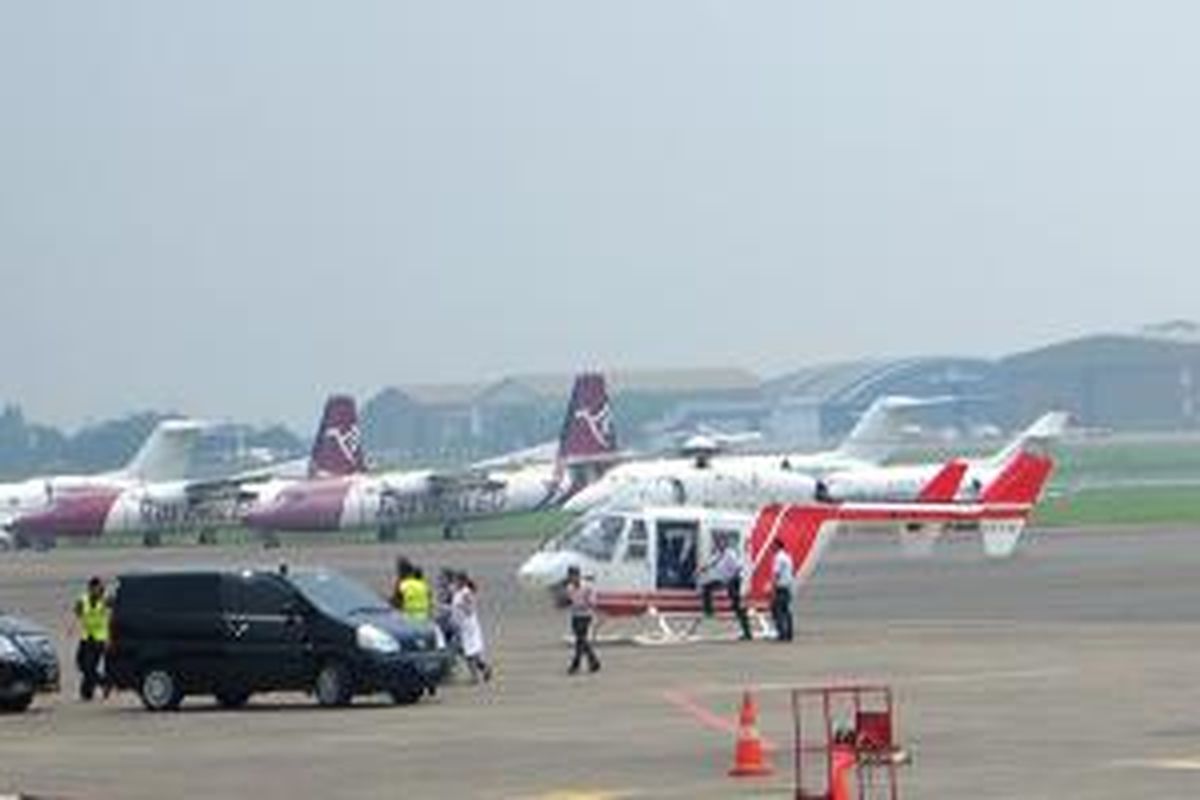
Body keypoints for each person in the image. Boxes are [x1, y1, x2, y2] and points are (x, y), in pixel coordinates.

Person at [700, 538, 752, 640]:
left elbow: (738, 567)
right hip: (724, 580)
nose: (719, 545)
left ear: (725, 544)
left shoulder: (730, 554)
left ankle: (747, 632)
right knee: (706, 587)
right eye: (718, 543)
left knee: (737, 605)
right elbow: (711, 562)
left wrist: (733, 580)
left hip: (733, 580)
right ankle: (709, 610)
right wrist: (702, 568)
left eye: (721, 543)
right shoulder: (719, 554)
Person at [73, 576, 111, 701]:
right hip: (86, 636)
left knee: (89, 666)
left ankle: (87, 692)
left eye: (99, 587)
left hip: (99, 639)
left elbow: (115, 607)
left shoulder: (105, 600)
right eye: (94, 587)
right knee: (81, 663)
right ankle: (100, 684)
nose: (97, 590)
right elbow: (77, 612)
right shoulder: (83, 600)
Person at [450, 572, 492, 683]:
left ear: (462, 581)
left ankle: (475, 677)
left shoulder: (465, 592)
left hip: (467, 626)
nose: (455, 583)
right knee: (469, 652)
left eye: (456, 581)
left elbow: (469, 608)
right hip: (462, 625)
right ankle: (484, 668)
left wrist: (462, 608)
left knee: (468, 652)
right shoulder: (459, 592)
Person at [565, 565, 600, 674]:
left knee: (581, 639)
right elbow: (570, 600)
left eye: (574, 575)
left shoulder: (587, 587)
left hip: (585, 615)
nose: (572, 578)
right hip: (575, 616)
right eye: (571, 576)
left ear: (578, 576)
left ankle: (576, 664)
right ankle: (593, 662)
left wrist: (584, 604)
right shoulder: (570, 588)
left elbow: (592, 601)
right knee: (580, 640)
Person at [770, 540, 795, 642]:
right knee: (786, 610)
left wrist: (773, 586)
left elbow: (777, 573)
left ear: (777, 546)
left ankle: (782, 634)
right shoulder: (787, 556)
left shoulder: (778, 558)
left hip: (780, 587)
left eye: (773, 546)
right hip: (787, 586)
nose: (771, 548)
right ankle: (789, 633)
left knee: (777, 610)